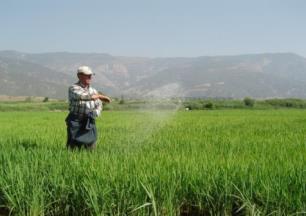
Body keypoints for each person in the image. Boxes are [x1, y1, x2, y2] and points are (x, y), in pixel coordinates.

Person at [65, 66, 111, 150]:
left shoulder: (93, 90)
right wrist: (100, 96)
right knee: (73, 144)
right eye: (87, 75)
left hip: (89, 119)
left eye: (91, 75)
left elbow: (99, 105)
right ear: (79, 76)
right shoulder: (73, 88)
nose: (90, 77)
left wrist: (96, 112)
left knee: (91, 144)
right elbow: (83, 96)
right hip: (76, 120)